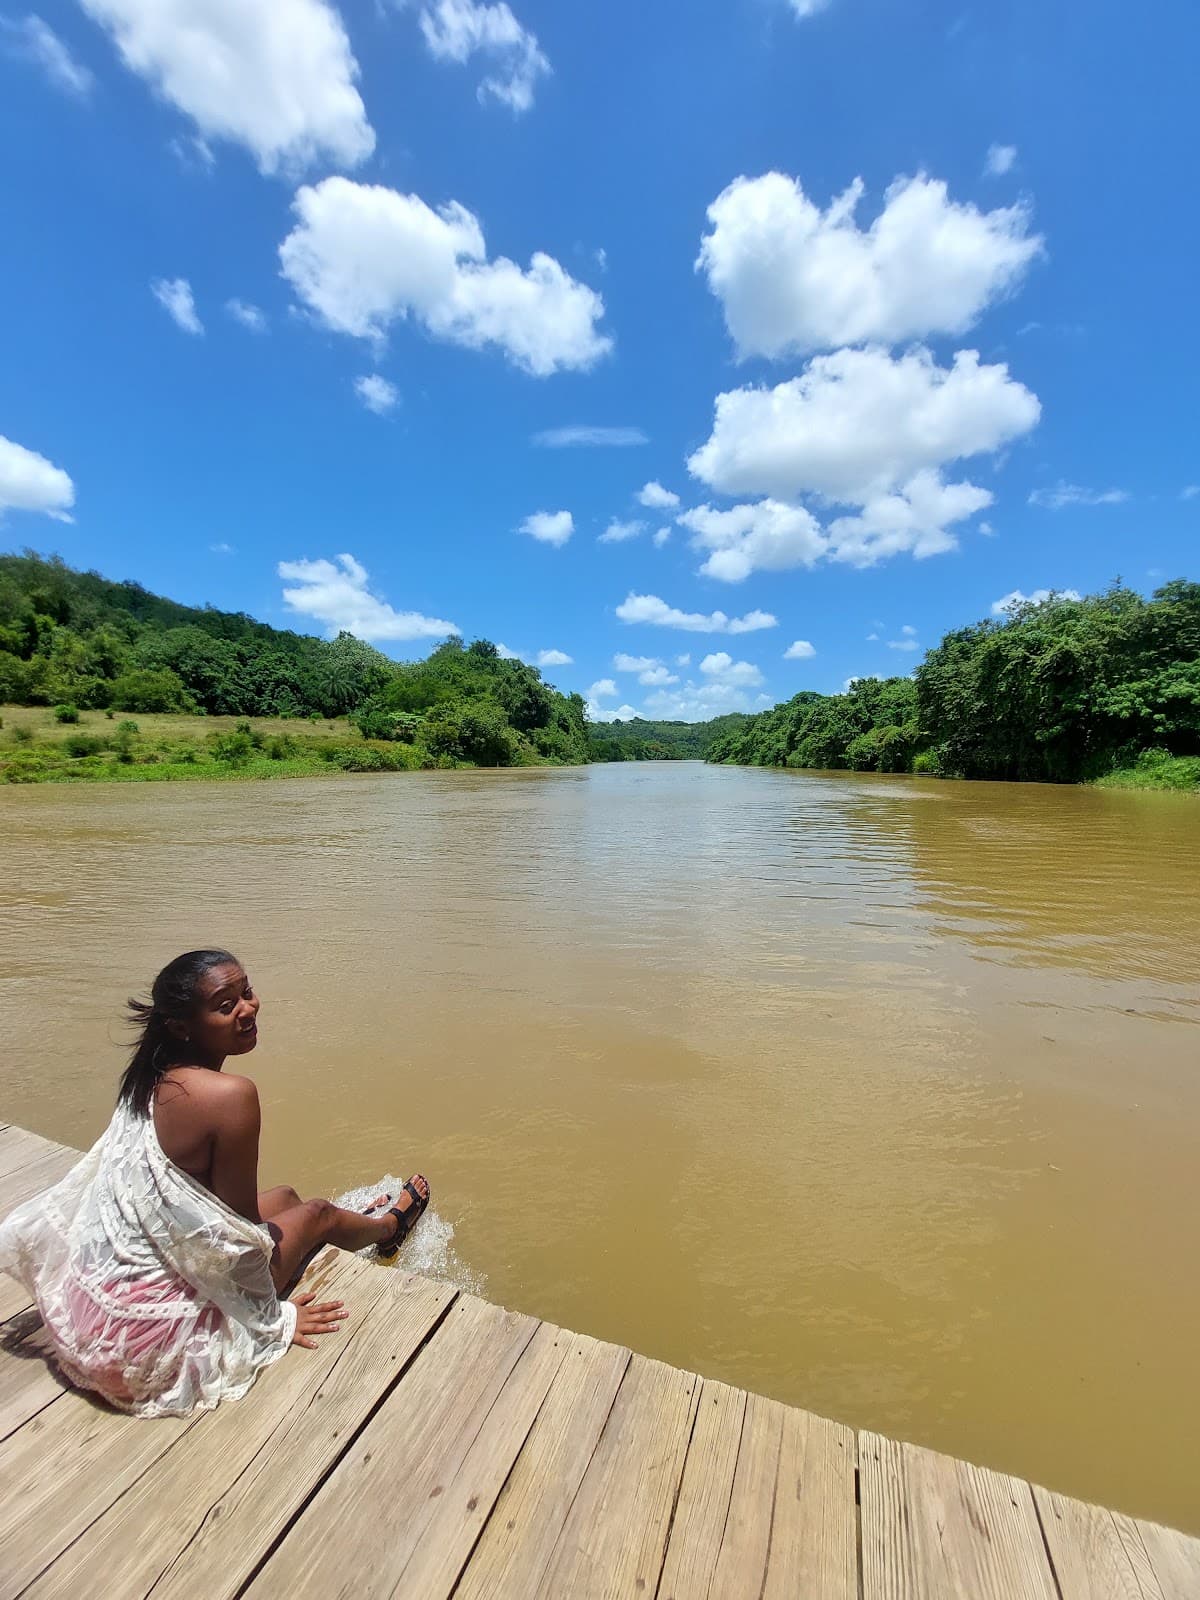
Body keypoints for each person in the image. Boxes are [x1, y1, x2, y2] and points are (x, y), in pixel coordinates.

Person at [0, 949, 429, 1417]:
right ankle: (390, 1227)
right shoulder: (230, 1095)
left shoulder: (147, 1076)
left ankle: (356, 1225)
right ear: (182, 1026)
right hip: (141, 1344)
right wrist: (276, 1321)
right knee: (316, 1213)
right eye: (226, 1006)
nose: (247, 1008)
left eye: (247, 992)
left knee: (286, 1197)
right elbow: (239, 1238)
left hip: (92, 1316)